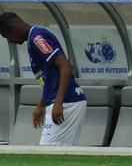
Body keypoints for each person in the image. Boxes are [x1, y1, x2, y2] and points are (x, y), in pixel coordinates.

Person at [0, 13, 86, 146]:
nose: (10, 41)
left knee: (48, 153)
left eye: (6, 37)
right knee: (63, 154)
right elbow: (48, 80)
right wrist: (42, 105)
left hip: (67, 102)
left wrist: (58, 103)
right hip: (64, 102)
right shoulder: (32, 41)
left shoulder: (38, 38)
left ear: (13, 29)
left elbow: (65, 67)